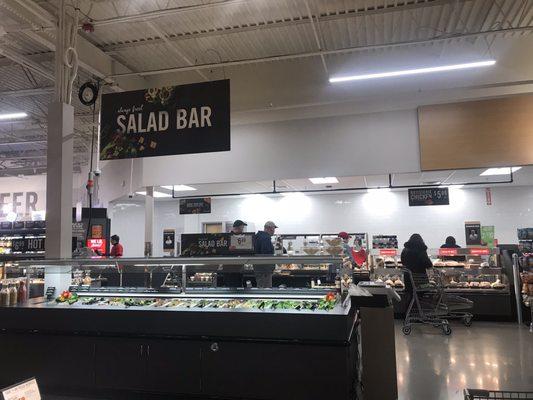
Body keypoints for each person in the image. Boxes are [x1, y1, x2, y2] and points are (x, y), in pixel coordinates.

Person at [223, 220, 248, 288]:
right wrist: (228, 250)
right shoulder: (227, 237)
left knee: (238, 288)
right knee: (231, 288)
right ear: (239, 227)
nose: (243, 230)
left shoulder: (241, 237)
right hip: (230, 270)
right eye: (242, 228)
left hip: (238, 269)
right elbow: (221, 252)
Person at [254, 221, 277, 288]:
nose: (274, 231)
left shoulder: (258, 236)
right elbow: (266, 255)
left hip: (258, 268)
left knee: (260, 287)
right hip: (265, 270)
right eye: (274, 229)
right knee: (266, 289)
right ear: (270, 228)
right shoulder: (265, 238)